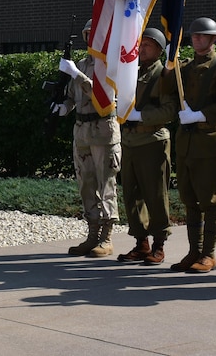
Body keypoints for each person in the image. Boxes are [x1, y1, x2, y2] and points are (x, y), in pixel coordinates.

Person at [170, 17, 216, 273]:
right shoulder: (182, 68)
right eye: (194, 36)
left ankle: (208, 254)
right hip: (187, 142)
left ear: (213, 40)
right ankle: (193, 251)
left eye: (202, 36)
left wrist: (200, 115)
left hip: (211, 142)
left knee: (210, 201)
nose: (197, 39)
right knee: (189, 200)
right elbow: (169, 92)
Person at [54, 19, 122, 258]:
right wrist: (64, 107)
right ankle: (92, 234)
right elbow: (74, 95)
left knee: (106, 185)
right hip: (82, 130)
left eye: (95, 34)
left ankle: (106, 237)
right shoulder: (82, 63)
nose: (90, 38)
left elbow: (101, 95)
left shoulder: (110, 64)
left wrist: (76, 74)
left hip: (103, 130)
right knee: (86, 183)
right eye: (88, 35)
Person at [117, 27, 178, 265]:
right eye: (141, 44)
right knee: (132, 195)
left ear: (160, 50)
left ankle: (159, 244)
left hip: (152, 140)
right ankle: (140, 242)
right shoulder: (131, 71)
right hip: (130, 140)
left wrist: (141, 116)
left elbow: (170, 110)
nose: (142, 49)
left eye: (148, 45)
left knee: (155, 195)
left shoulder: (163, 75)